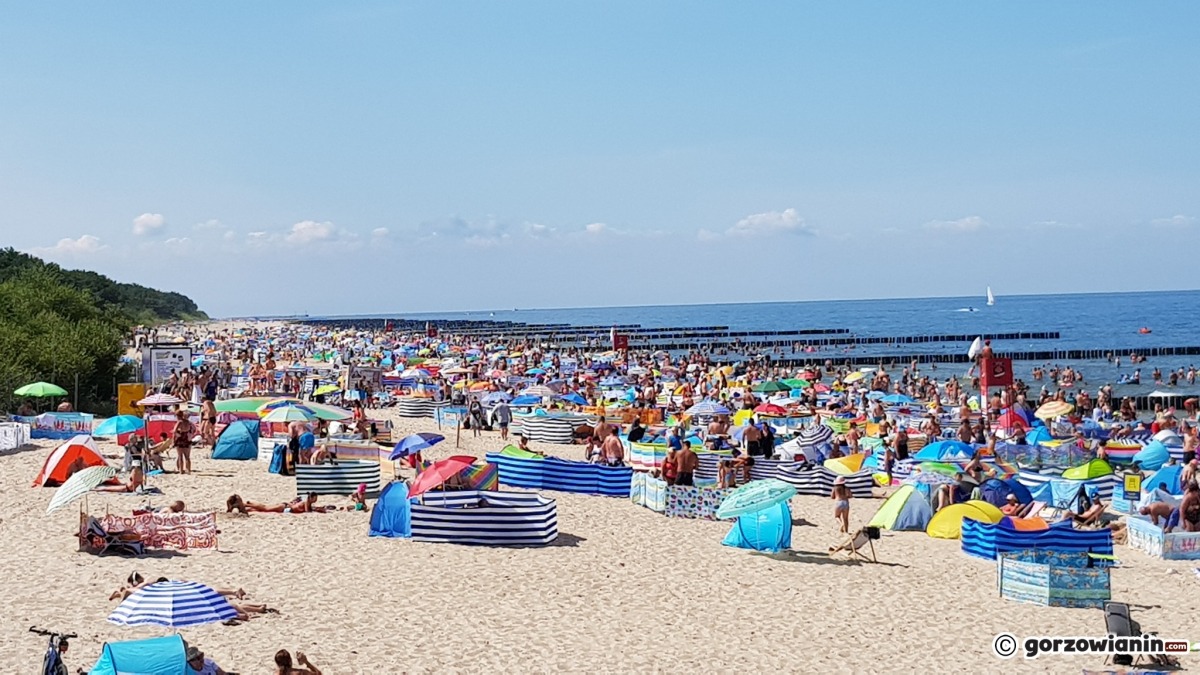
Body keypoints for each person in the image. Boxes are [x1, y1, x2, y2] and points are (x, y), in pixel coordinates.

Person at [172, 410, 195, 475]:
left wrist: (173, 440)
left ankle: (181, 470)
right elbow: (192, 430)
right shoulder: (188, 422)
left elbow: (174, 431)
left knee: (180, 456)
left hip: (180, 439)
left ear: (177, 416)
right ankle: (188, 470)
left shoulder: (179, 422)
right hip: (187, 439)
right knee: (187, 456)